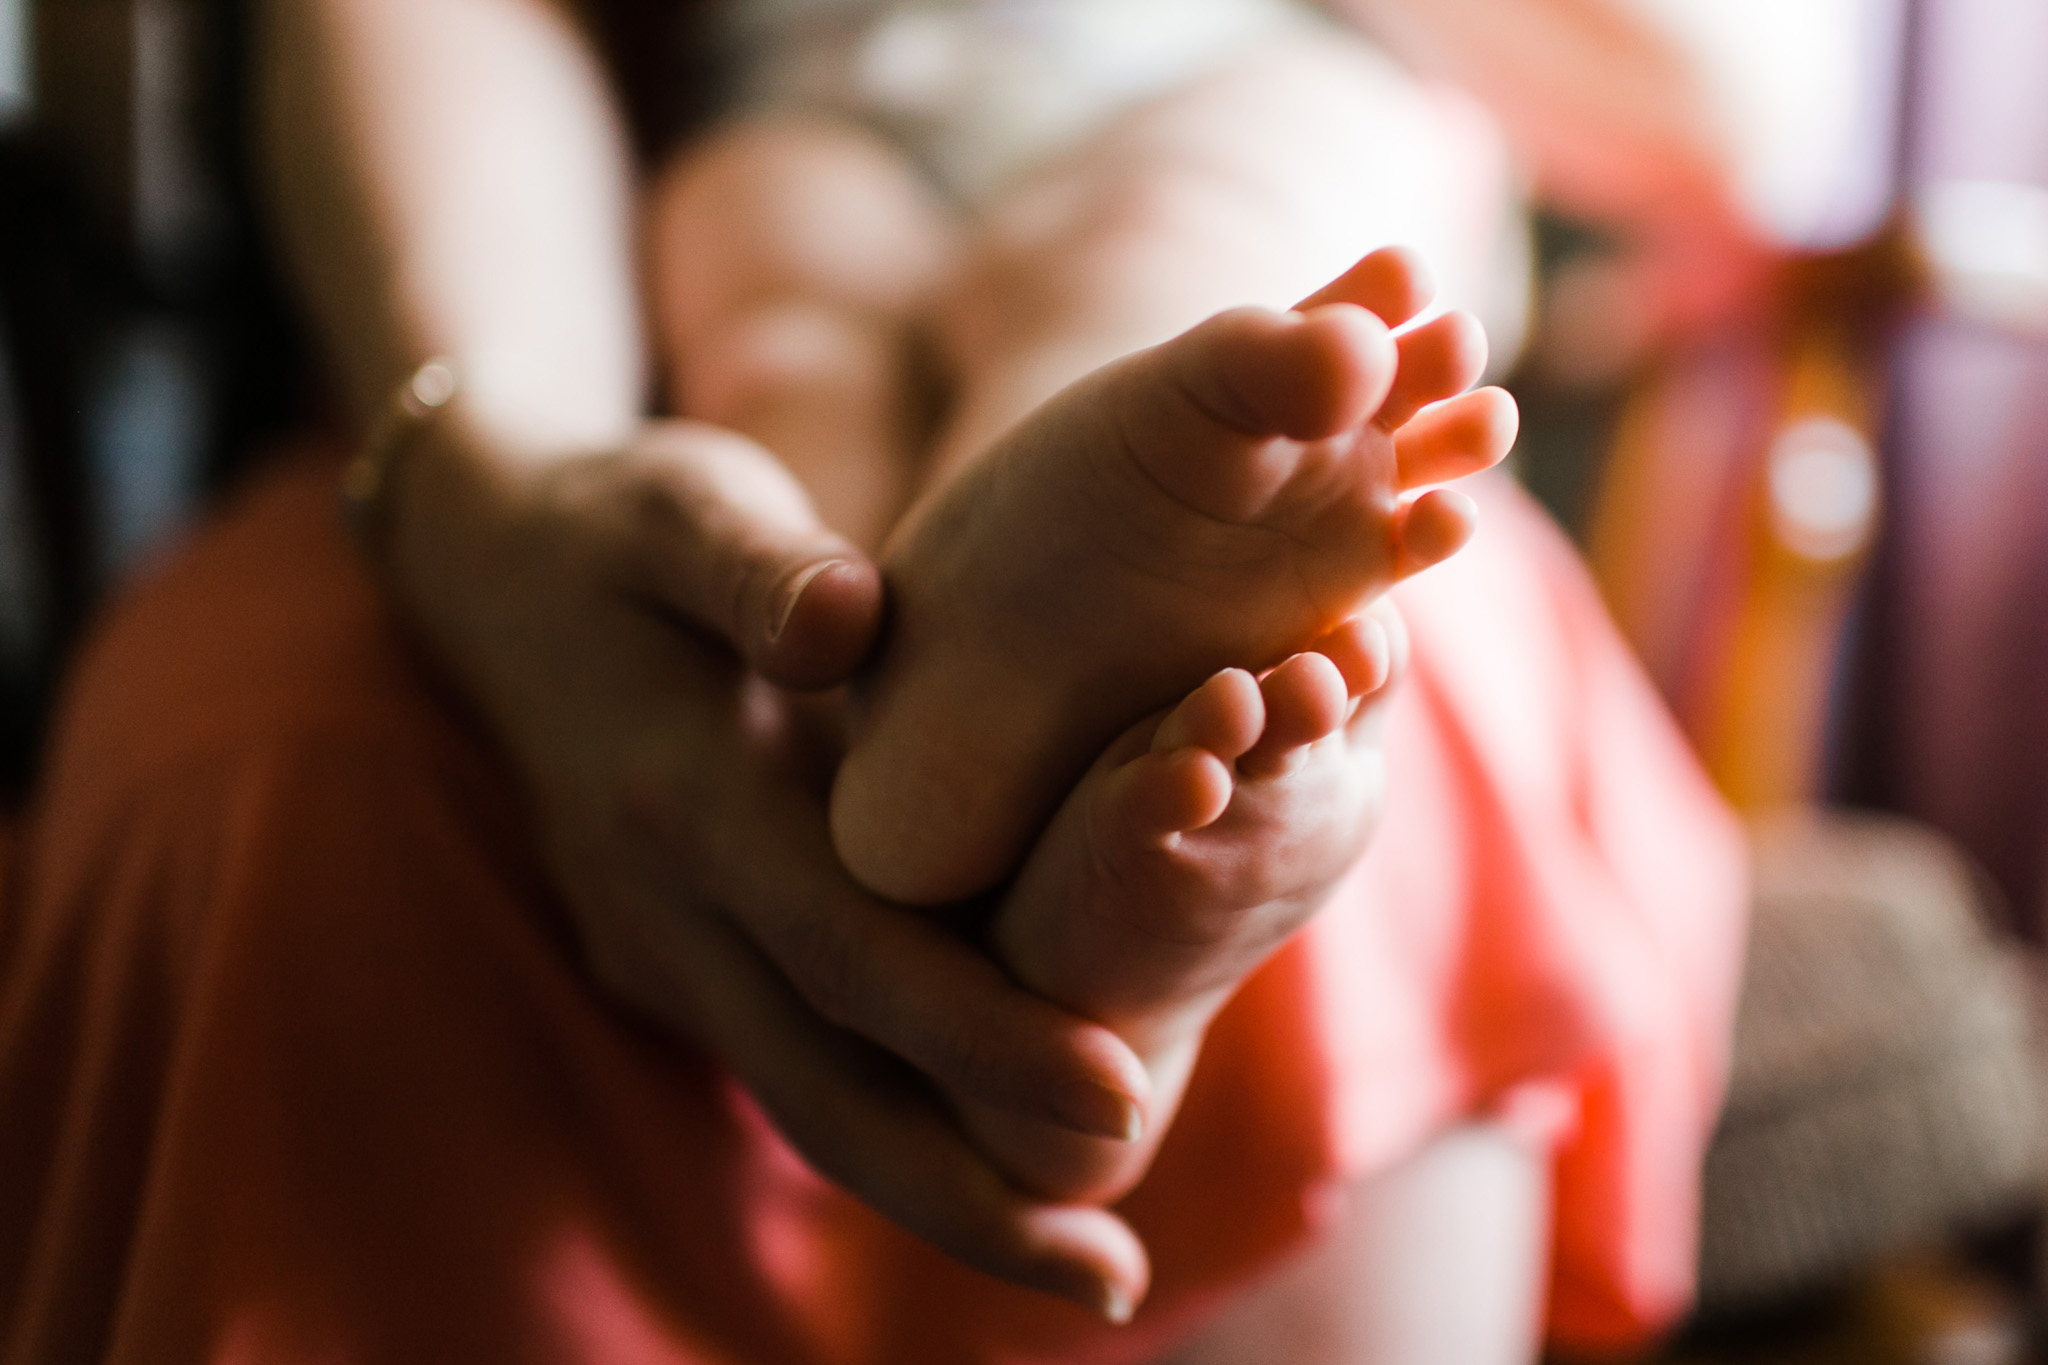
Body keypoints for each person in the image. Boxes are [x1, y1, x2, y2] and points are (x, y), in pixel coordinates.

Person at [0, 0, 1749, 1361]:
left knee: (1190, 283)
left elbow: (1721, 109)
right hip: (800, 126)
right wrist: (504, 461)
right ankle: (922, 710)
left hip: (1240, 73)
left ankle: (1050, 658)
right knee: (782, 337)